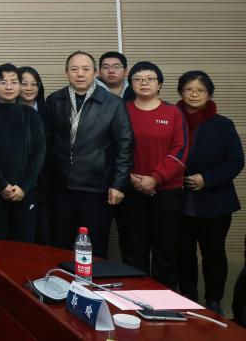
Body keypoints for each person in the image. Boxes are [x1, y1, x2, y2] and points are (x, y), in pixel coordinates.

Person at [43, 51, 133, 258]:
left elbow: (125, 146)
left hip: (97, 188)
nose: (80, 74)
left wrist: (119, 183)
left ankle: (92, 280)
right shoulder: (55, 100)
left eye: (86, 69)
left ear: (95, 73)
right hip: (61, 187)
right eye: (74, 69)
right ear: (66, 73)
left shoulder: (113, 104)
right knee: (60, 246)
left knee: (94, 248)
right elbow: (48, 142)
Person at [175, 71, 243, 314]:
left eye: (200, 90)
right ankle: (188, 295)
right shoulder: (172, 120)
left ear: (209, 94)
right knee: (182, 252)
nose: (194, 94)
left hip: (215, 200)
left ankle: (214, 299)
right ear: (180, 92)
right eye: (188, 89)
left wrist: (207, 179)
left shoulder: (223, 124)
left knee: (213, 253)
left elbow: (236, 161)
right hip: (177, 199)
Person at [116, 61, 185, 288]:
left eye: (150, 78)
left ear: (160, 84)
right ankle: (136, 297)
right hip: (130, 190)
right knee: (134, 248)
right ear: (131, 84)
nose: (144, 83)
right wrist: (128, 178)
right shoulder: (121, 110)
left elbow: (180, 150)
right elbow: (112, 147)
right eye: (137, 79)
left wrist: (155, 177)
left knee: (165, 249)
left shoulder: (173, 112)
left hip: (167, 192)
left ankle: (165, 298)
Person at [0, 63, 44, 243]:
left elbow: (39, 152)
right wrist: (2, 185)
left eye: (14, 82)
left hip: (25, 191)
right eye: (3, 82)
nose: (9, 87)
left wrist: (23, 186)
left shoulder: (31, 115)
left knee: (24, 245)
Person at [18, 65, 51, 245]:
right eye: (24, 83)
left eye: (34, 84)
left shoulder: (48, 111)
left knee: (43, 233)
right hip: (18, 182)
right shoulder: (8, 111)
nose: (29, 88)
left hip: (45, 181)